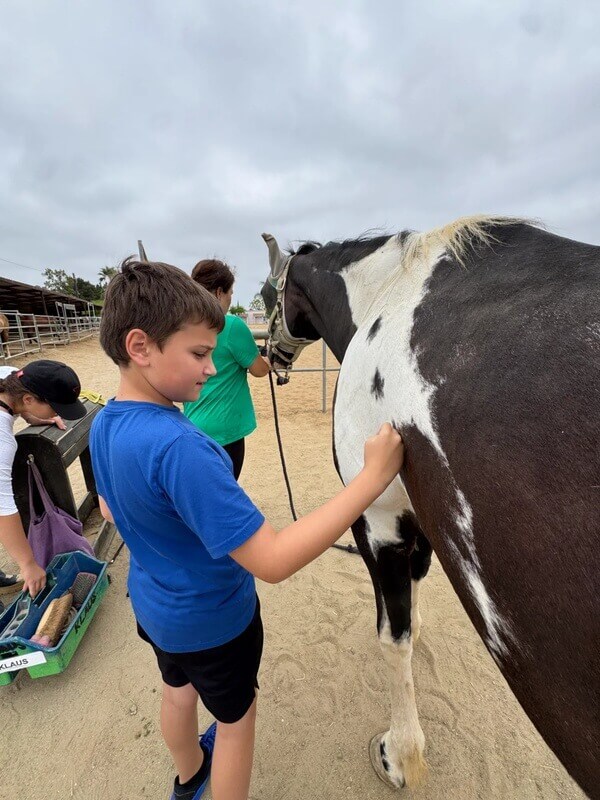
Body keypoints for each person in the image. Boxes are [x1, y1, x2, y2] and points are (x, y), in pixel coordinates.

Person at [90, 257, 404, 800]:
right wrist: (371, 479)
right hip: (214, 623)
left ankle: (188, 776)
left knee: (177, 692)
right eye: (198, 354)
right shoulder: (183, 449)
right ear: (140, 347)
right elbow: (273, 560)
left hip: (156, 608)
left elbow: (113, 510)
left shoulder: (106, 423)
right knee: (236, 720)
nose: (211, 369)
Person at [0, 361, 87, 606]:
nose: (57, 412)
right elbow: (3, 506)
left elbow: (17, 398)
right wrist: (28, 563)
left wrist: (35, 416)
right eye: (54, 406)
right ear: (28, 399)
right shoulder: (3, 439)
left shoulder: (10, 376)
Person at [183, 259, 270, 479]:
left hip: (193, 424)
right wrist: (270, 361)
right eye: (231, 292)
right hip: (225, 430)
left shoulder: (183, 324)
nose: (231, 298)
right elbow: (259, 370)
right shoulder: (230, 325)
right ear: (219, 292)